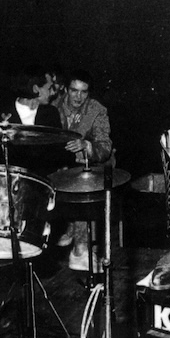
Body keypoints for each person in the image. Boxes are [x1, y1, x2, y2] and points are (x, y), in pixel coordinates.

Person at [53, 68, 114, 271]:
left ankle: (80, 249)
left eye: (84, 92)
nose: (78, 97)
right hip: (58, 166)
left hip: (87, 165)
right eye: (74, 90)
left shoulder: (97, 110)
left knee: (82, 184)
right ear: (65, 90)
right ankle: (69, 228)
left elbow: (104, 147)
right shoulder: (53, 107)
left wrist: (86, 145)